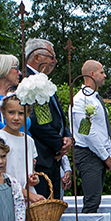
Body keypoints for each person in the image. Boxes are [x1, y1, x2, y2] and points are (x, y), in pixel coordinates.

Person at [25, 39, 72, 199]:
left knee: (53, 209)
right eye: (51, 57)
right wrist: (59, 144)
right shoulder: (27, 82)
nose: (55, 61)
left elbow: (58, 115)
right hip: (42, 156)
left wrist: (68, 137)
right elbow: (36, 122)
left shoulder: (44, 81)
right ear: (37, 57)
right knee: (43, 211)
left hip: (53, 158)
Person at [71, 60, 111, 214]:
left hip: (99, 153)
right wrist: (105, 156)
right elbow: (87, 133)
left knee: (96, 199)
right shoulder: (80, 100)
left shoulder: (95, 98)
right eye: (101, 72)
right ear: (91, 74)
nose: (104, 75)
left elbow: (103, 130)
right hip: (88, 153)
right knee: (91, 201)